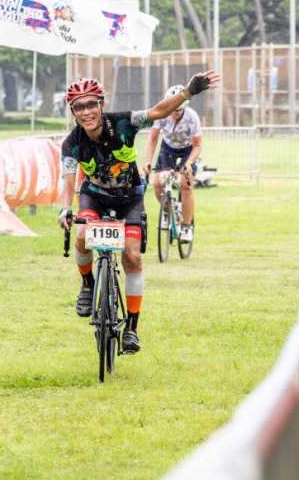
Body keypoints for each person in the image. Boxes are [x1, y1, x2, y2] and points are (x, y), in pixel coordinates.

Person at [57, 70, 220, 354]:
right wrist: (64, 209)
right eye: (79, 107)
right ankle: (88, 285)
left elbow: (158, 112)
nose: (86, 112)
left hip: (128, 196)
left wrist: (188, 92)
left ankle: (131, 328)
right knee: (81, 237)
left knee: (132, 256)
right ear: (73, 112)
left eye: (91, 104)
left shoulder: (123, 122)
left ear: (102, 104)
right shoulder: (72, 143)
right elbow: (69, 179)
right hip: (94, 196)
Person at [140, 85, 203, 243]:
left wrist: (189, 163)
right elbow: (153, 139)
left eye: (177, 111)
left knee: (185, 185)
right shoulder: (162, 113)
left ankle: (187, 227)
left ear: (184, 107)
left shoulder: (192, 117)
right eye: (172, 110)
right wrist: (148, 161)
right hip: (168, 148)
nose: (173, 114)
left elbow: (198, 145)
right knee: (157, 183)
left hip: (188, 150)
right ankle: (167, 211)